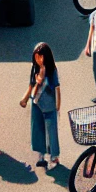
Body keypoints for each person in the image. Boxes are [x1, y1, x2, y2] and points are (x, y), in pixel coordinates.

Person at [21, 41, 61, 169]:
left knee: (51, 131)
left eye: (40, 56)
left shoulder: (51, 70)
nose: (38, 59)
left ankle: (54, 156)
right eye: (36, 57)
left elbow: (57, 87)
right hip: (36, 104)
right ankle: (41, 155)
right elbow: (31, 85)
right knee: (37, 129)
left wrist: (58, 105)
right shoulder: (35, 69)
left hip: (49, 105)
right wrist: (25, 99)